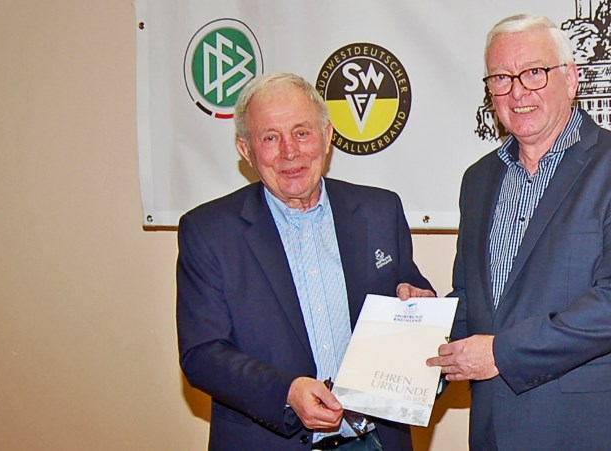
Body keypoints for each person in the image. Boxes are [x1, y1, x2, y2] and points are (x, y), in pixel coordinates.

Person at [427, 14, 611, 450]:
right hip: (495, 430)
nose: (518, 91)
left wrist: (500, 353)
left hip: (592, 432)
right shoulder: (478, 180)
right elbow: (472, 300)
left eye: (534, 72)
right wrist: (419, 331)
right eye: (501, 78)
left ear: (570, 79)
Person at [177, 72, 434, 451]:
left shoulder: (380, 210)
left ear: (327, 136)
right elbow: (202, 354)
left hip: (375, 441)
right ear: (246, 150)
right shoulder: (208, 231)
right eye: (270, 138)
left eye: (302, 132)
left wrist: (419, 305)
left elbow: (409, 290)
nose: (289, 152)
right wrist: (286, 392)